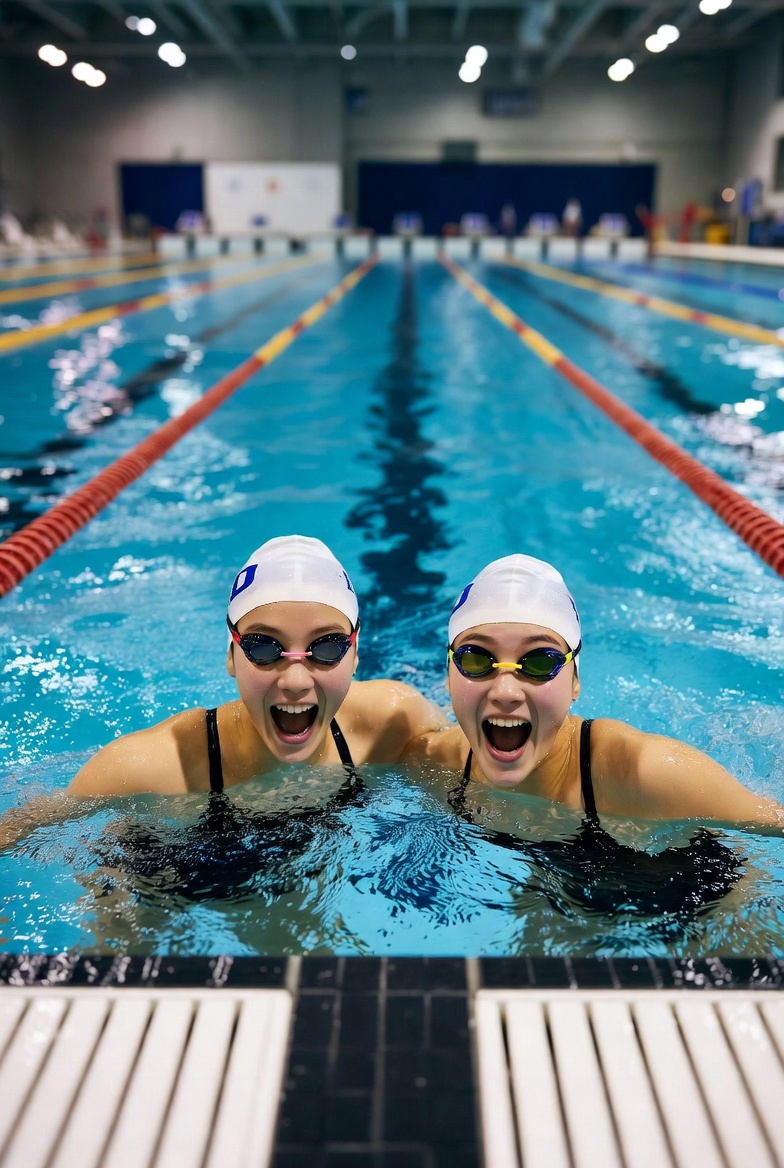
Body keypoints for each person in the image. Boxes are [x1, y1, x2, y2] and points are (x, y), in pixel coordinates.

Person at [0, 536, 445, 847]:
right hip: (166, 876)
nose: (294, 681)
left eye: (326, 647)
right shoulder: (147, 767)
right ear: (232, 656)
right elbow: (17, 831)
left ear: (355, 654)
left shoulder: (393, 720)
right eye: (262, 648)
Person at [406, 554, 784, 828]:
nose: (506, 691)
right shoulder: (430, 763)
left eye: (539, 662)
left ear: (574, 682)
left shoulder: (646, 773)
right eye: (476, 659)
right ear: (448, 675)